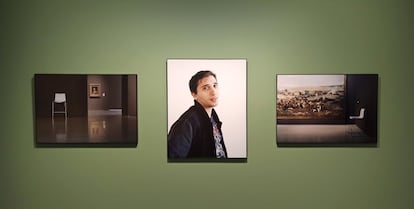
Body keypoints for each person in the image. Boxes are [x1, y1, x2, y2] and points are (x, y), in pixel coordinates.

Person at [168, 70, 227, 159]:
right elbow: (173, 160)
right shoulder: (187, 122)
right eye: (206, 88)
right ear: (194, 94)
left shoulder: (213, 118)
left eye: (215, 86)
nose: (213, 91)